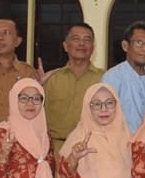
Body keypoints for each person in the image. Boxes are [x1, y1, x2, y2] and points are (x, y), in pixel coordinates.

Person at [42, 23, 104, 153]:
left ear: (93, 48)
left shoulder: (104, 79)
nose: (82, 43)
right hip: (57, 149)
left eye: (87, 39)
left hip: (93, 149)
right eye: (76, 39)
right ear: (65, 46)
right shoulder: (52, 79)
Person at [103, 21, 145, 131]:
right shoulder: (113, 77)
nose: (144, 48)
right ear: (125, 46)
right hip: (120, 140)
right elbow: (104, 116)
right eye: (139, 42)